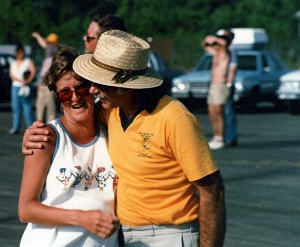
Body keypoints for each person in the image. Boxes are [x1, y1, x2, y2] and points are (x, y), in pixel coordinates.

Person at [23, 30, 226, 247]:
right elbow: (74, 119)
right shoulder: (112, 112)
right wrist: (34, 134)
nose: (92, 89)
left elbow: (212, 190)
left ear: (125, 87)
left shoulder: (174, 118)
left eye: (99, 84)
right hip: (125, 238)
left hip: (169, 236)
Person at [18, 46, 119, 246]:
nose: (75, 97)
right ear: (58, 97)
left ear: (92, 88)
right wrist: (83, 218)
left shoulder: (112, 130)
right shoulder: (46, 138)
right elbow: (26, 209)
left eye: (81, 88)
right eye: (65, 93)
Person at [202, 29, 235, 149]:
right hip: (213, 85)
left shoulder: (227, 52)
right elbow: (205, 45)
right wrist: (207, 40)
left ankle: (220, 138)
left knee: (218, 112)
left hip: (221, 85)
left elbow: (224, 44)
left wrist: (214, 39)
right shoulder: (216, 53)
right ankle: (216, 137)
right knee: (212, 112)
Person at [8, 43, 37, 135]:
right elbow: (11, 75)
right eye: (18, 53)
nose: (20, 54)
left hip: (26, 86)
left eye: (22, 53)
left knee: (27, 107)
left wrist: (27, 80)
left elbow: (33, 71)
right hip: (16, 86)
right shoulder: (13, 63)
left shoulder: (28, 61)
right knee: (16, 107)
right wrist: (19, 80)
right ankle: (15, 127)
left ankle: (31, 128)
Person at [31, 32, 59, 123]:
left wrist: (37, 36)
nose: (48, 45)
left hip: (50, 83)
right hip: (43, 82)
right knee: (40, 104)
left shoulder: (55, 53)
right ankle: (39, 122)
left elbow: (44, 44)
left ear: (54, 43)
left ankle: (51, 124)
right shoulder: (48, 56)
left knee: (50, 105)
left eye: (50, 43)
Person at [219, 29, 238, 147]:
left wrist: (229, 83)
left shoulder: (232, 50)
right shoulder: (222, 50)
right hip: (220, 83)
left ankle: (230, 138)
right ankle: (222, 136)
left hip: (226, 83)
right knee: (220, 111)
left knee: (228, 110)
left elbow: (233, 67)